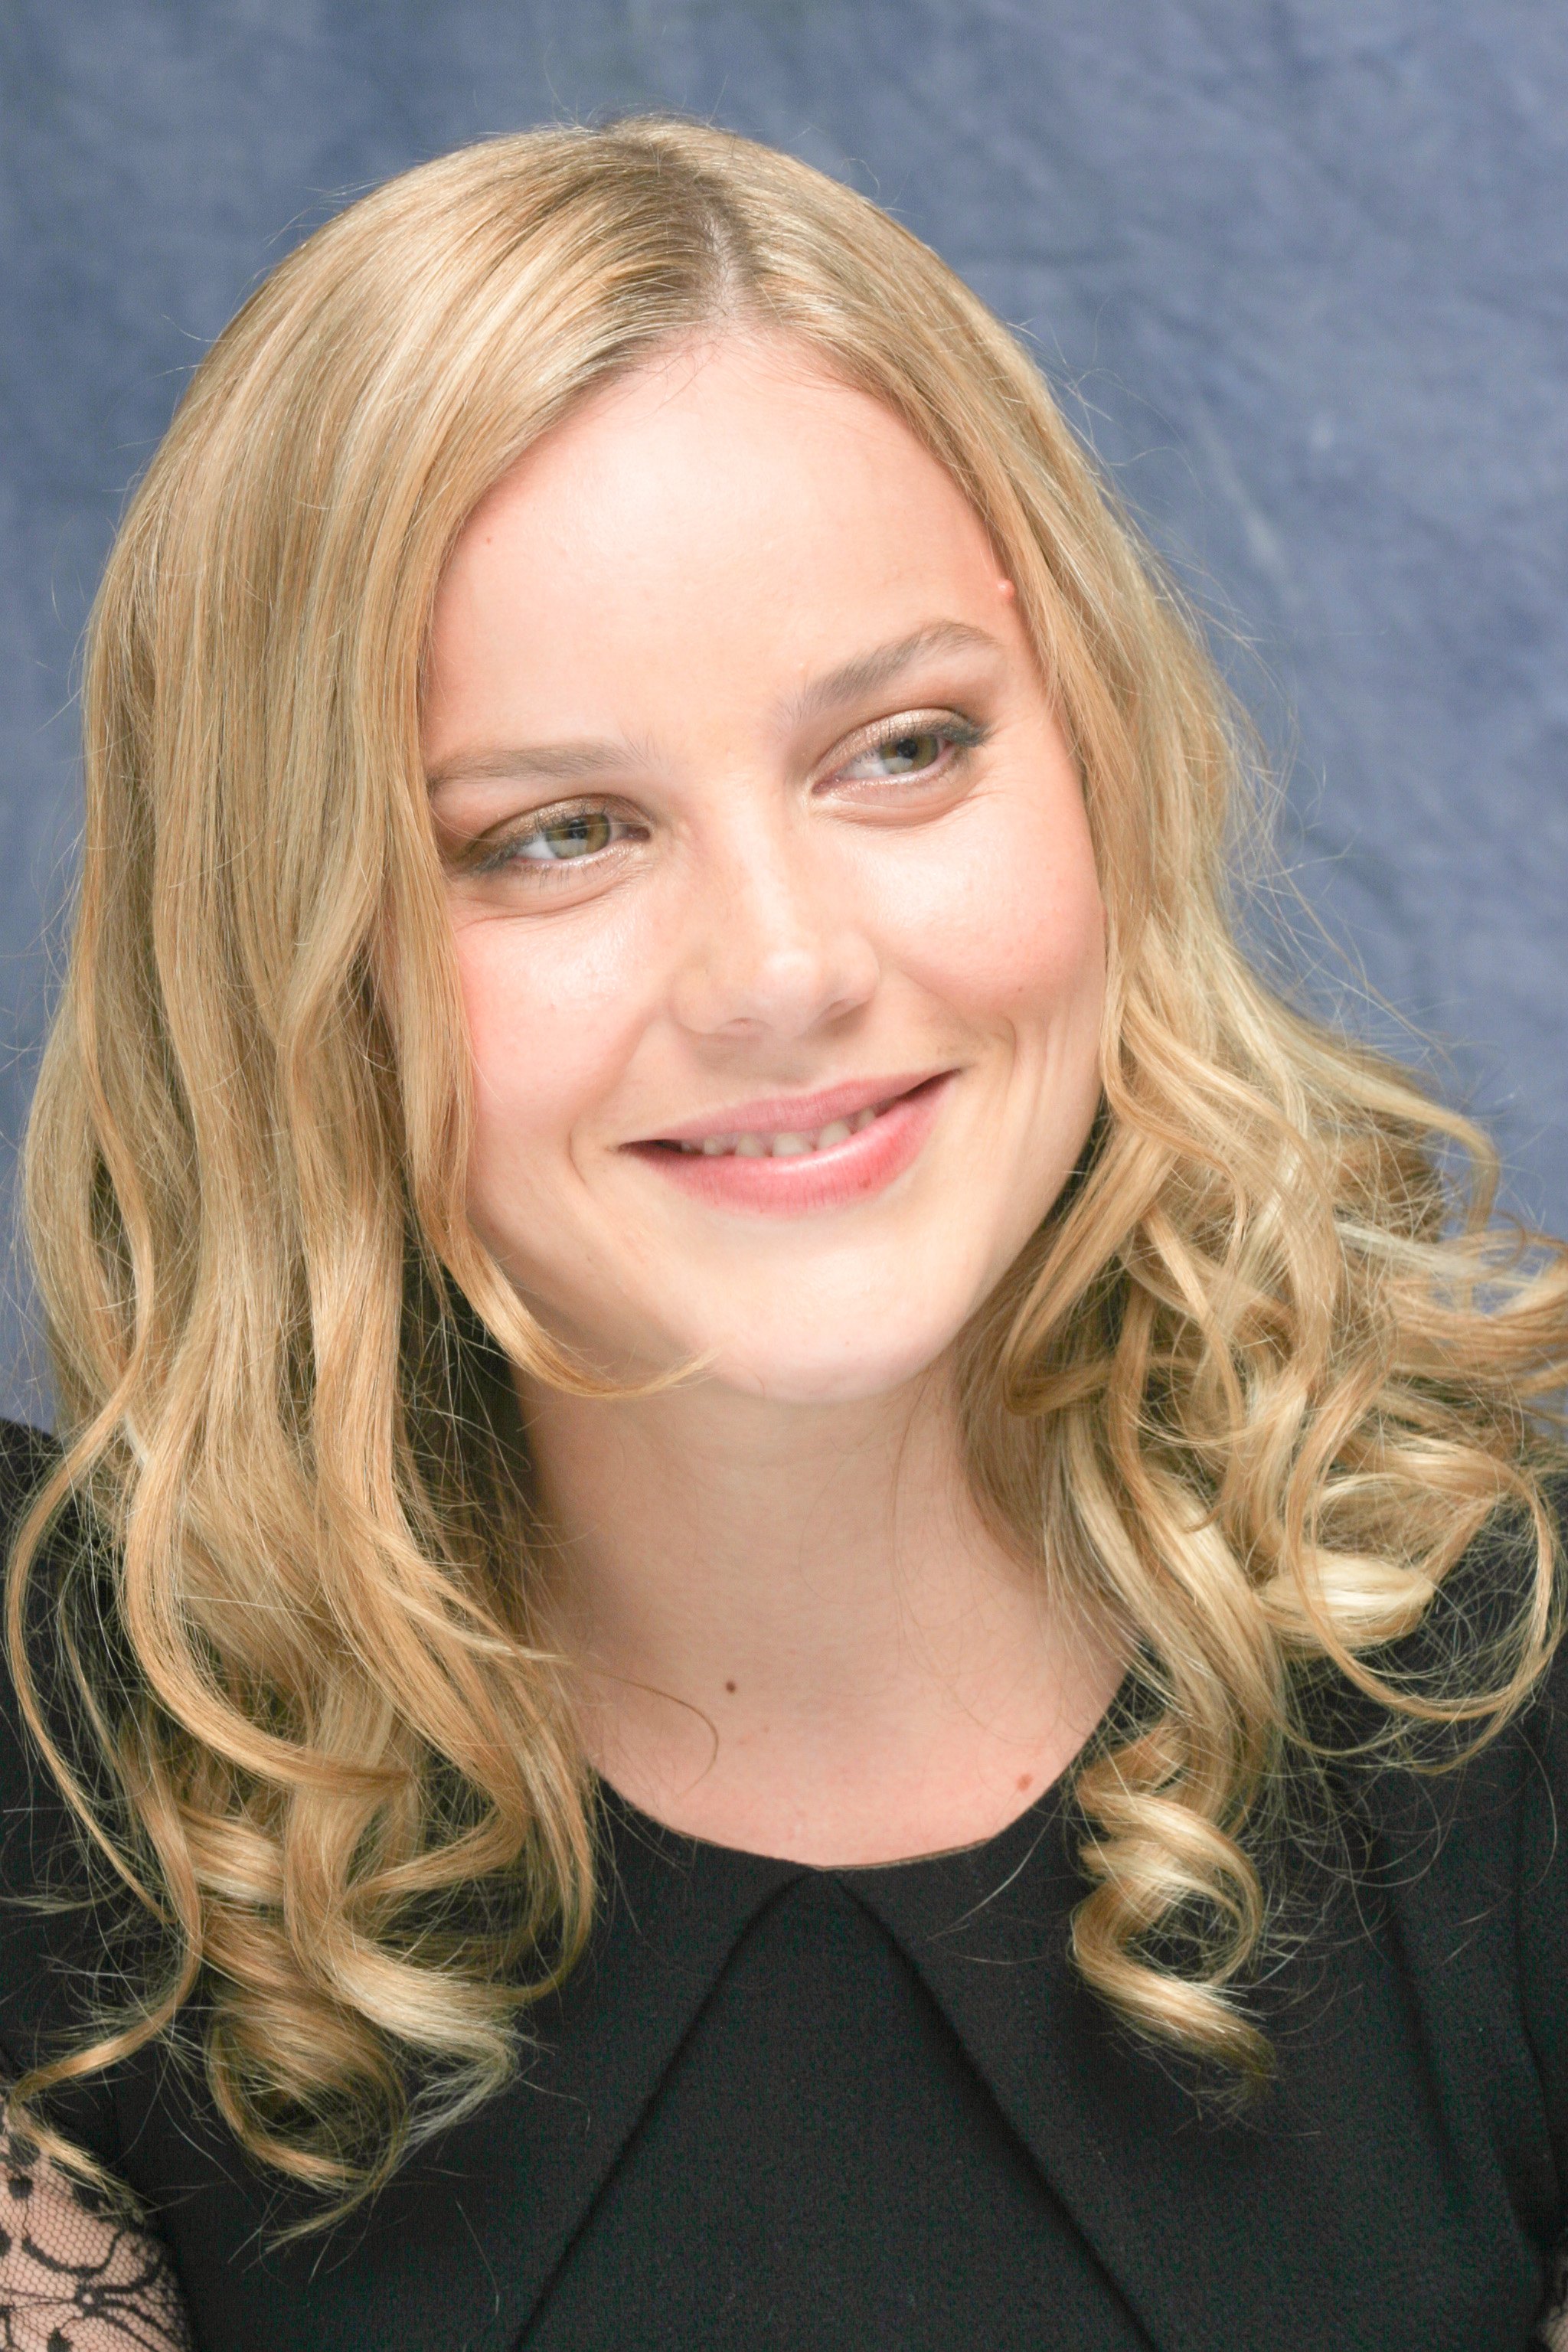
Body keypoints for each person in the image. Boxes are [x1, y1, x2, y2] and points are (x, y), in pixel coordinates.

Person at [1, 115, 1565, 2352]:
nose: (784, 968)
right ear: (284, 959)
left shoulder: (1523, 1692)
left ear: (1101, 759)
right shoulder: (59, 1783)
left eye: (903, 749)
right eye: (555, 833)